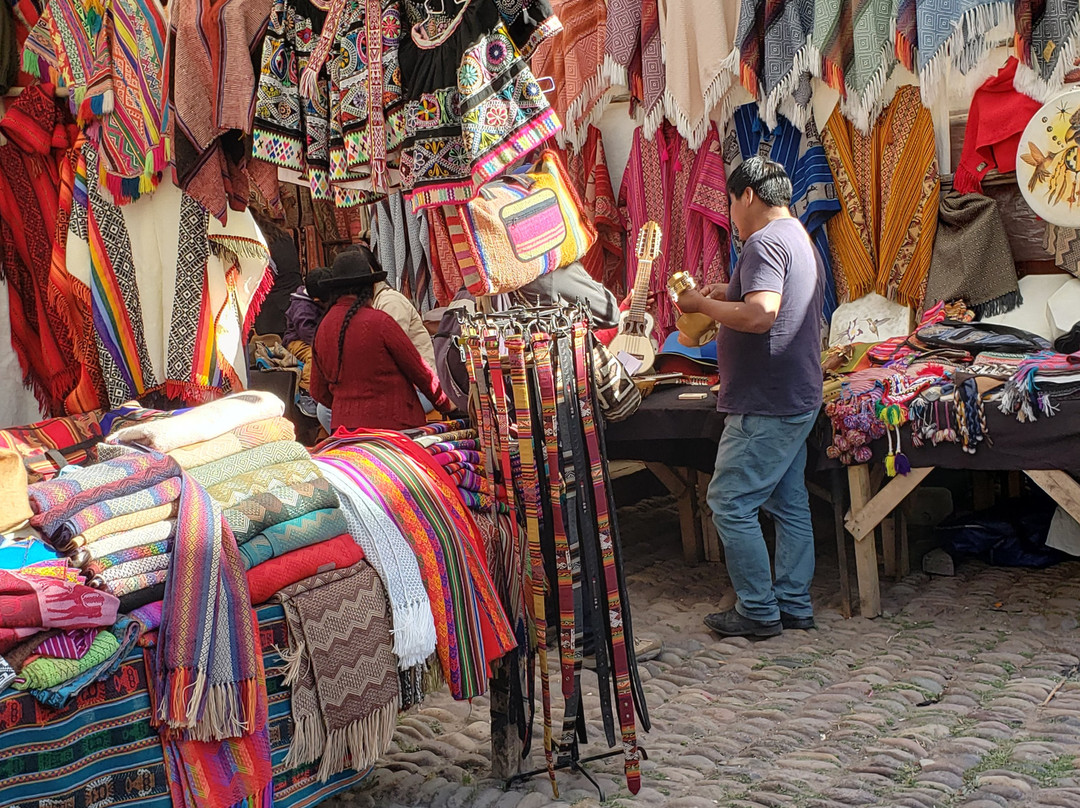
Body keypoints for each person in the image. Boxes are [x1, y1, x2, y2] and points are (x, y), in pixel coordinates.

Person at [675, 156, 825, 638]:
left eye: (731, 204)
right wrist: (729, 290)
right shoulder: (797, 235)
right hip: (793, 394)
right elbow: (769, 299)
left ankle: (759, 610)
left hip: (766, 402)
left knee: (729, 502)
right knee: (789, 503)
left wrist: (701, 304)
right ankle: (794, 604)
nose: (732, 216)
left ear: (748, 196)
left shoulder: (763, 241)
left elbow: (761, 314)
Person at [310, 250, 456, 432]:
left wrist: (348, 406)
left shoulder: (323, 328)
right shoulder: (381, 322)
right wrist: (446, 404)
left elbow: (318, 391)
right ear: (370, 287)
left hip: (344, 431)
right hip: (394, 429)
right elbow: (419, 371)